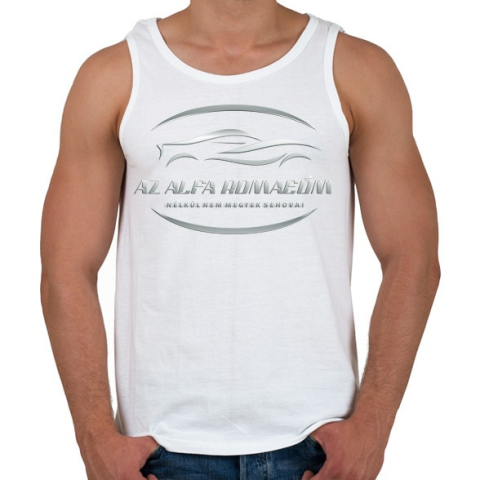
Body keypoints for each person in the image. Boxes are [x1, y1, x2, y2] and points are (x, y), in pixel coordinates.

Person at [39, 0, 440, 479]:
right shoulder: (115, 76)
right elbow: (66, 268)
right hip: (159, 451)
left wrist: (373, 425)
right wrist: (94, 436)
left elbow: (413, 257)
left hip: (318, 449)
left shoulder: (356, 70)